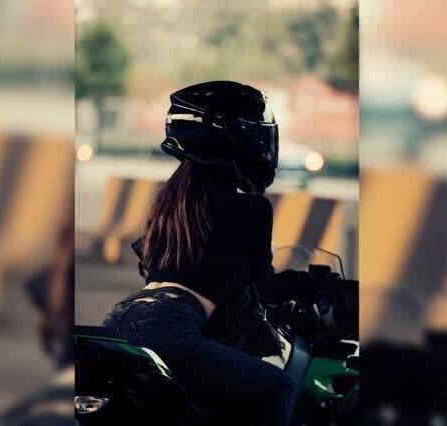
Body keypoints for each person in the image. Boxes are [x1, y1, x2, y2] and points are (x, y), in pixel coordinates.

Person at [102, 81, 299, 426]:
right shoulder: (253, 208)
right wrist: (304, 286)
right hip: (170, 325)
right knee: (279, 387)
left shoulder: (171, 202)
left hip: (121, 316)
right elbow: (265, 287)